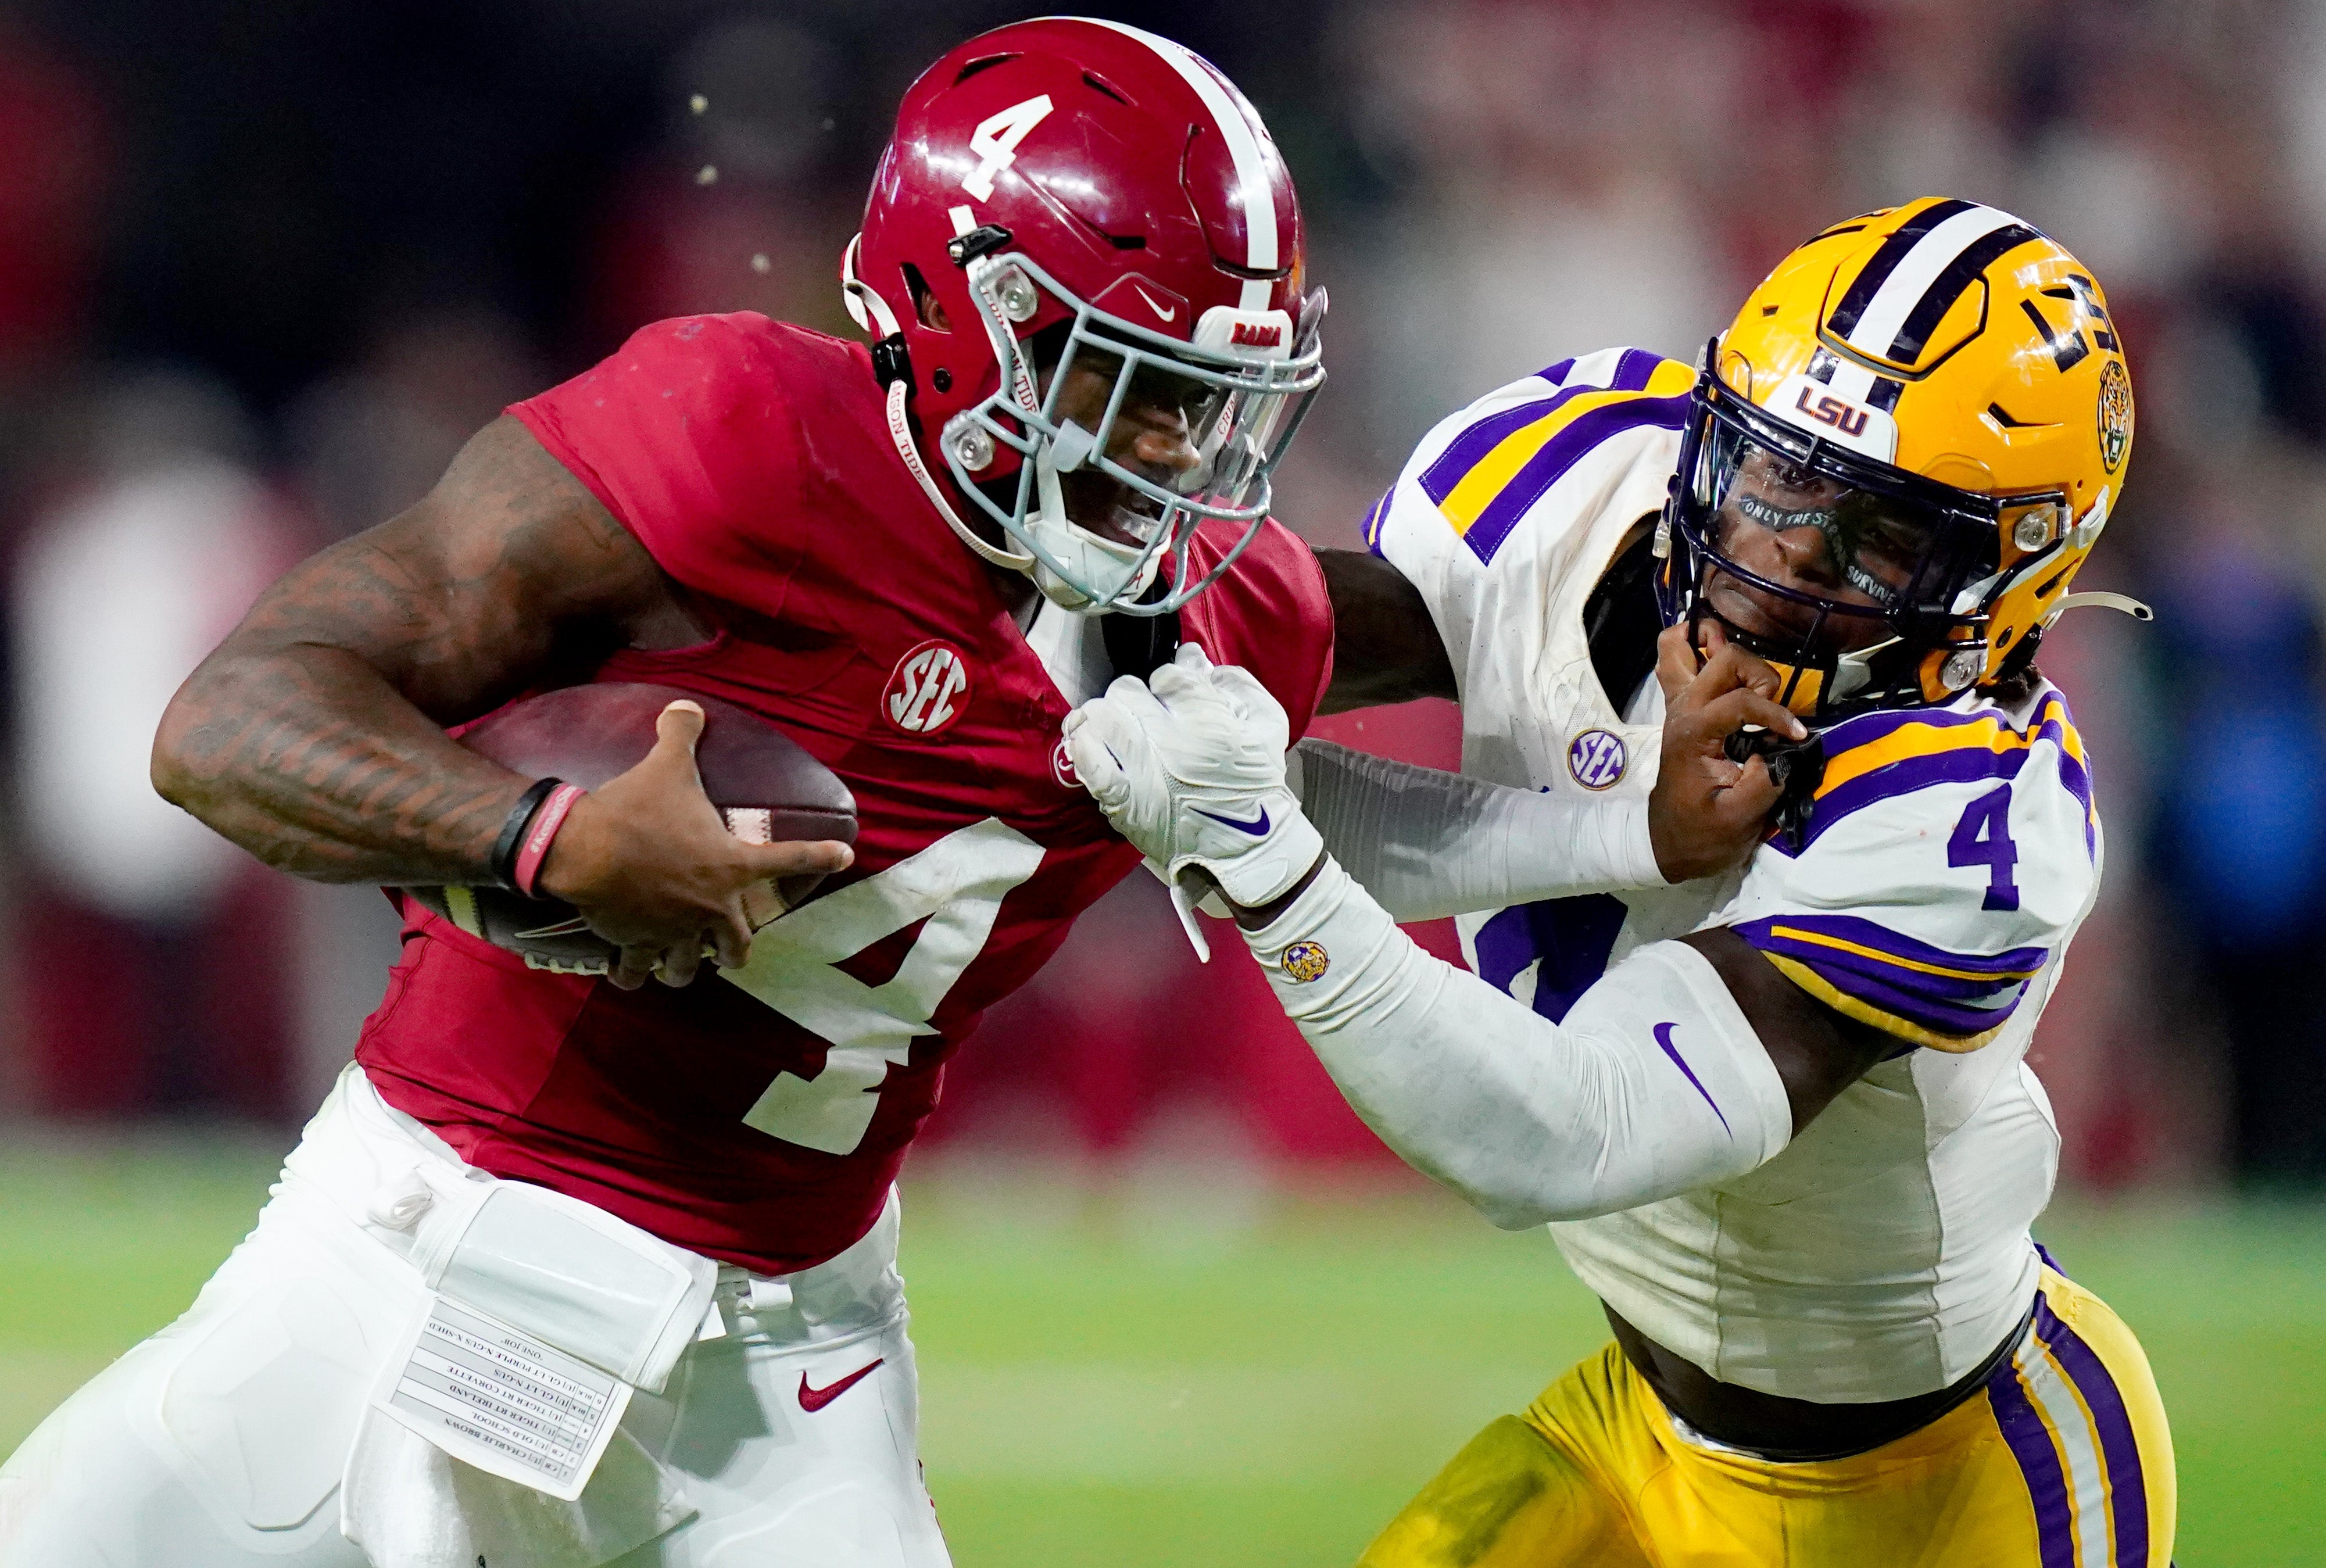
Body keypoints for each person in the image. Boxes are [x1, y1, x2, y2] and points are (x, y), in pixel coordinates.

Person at [0, 20, 1370, 1567]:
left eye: (1214, 398)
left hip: (790, 1375)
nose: (1183, 456)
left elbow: (1413, 640)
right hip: (422, 1245)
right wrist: (548, 838)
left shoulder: (1235, 607)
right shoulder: (742, 440)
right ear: (977, 317)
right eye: (1137, 388)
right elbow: (228, 719)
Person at [1066, 199, 2176, 1565]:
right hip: (1640, 1431)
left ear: (2010, 579)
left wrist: (1270, 870)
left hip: (1955, 1485)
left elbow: (1561, 1133)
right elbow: (1270, 666)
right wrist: (1096, 622)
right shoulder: (1578, 476)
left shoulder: (1974, 818)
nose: (1778, 559)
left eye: (1877, 537)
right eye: (1776, 477)